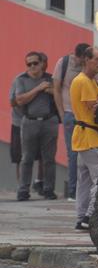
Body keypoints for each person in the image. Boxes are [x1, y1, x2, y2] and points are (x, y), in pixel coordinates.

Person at [70, 47, 98, 230]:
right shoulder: (84, 81)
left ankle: (81, 216)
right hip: (91, 138)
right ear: (87, 59)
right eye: (97, 59)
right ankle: (89, 216)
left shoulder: (92, 81)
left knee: (84, 181)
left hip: (86, 137)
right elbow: (96, 109)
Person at [13, 51, 59, 201]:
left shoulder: (50, 78)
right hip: (29, 122)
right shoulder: (21, 80)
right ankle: (23, 190)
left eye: (35, 63)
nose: (32, 66)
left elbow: (60, 94)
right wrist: (38, 89)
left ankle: (49, 189)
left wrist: (50, 90)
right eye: (29, 64)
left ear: (41, 64)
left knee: (49, 159)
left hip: (49, 121)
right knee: (26, 158)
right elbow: (19, 100)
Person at [53, 42, 90, 201]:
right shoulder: (64, 63)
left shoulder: (88, 67)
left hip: (86, 116)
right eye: (82, 59)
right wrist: (62, 113)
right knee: (73, 153)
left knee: (89, 152)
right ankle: (73, 191)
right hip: (69, 113)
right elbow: (56, 89)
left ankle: (85, 190)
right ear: (79, 56)